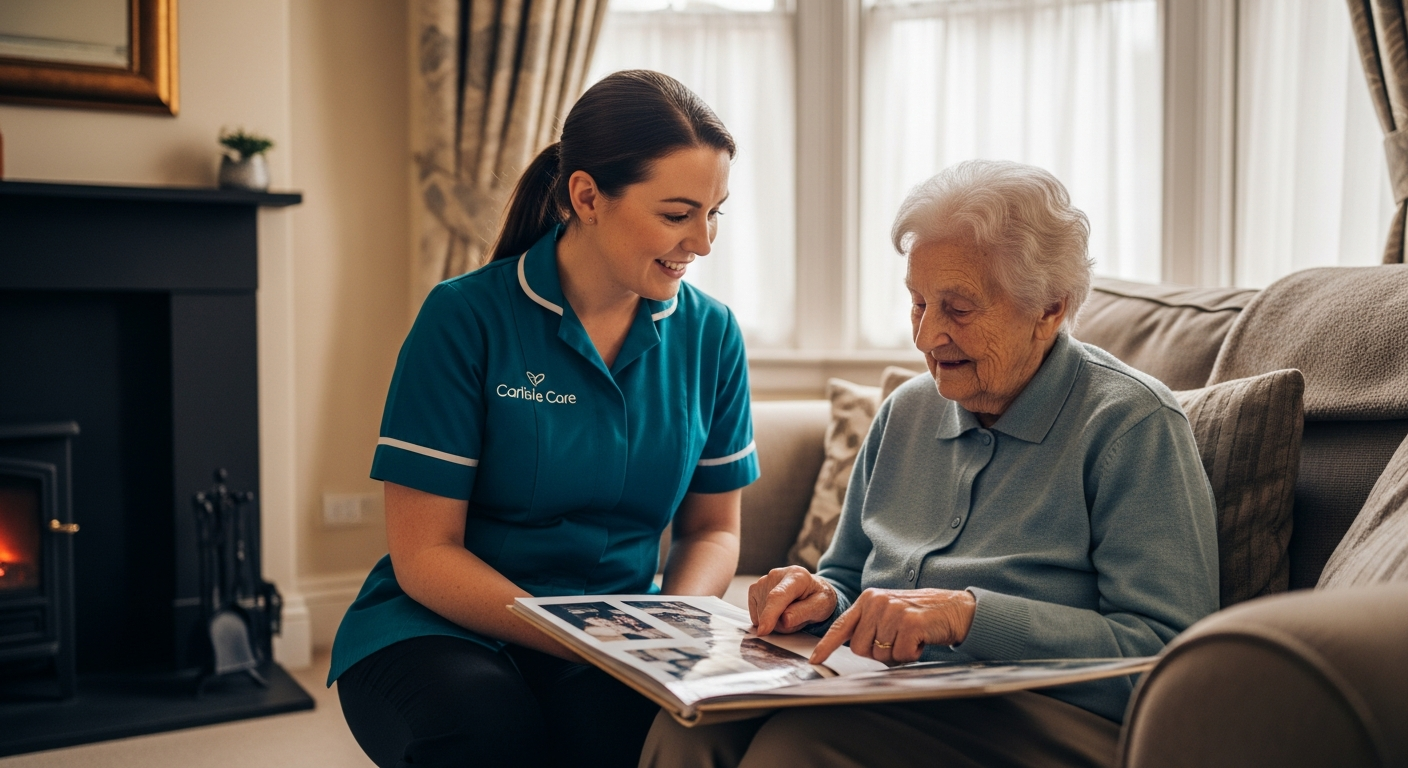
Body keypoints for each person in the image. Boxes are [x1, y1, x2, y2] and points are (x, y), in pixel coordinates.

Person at [641, 160, 1220, 768]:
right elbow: (846, 579)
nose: (926, 337)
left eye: (959, 309)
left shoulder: (1132, 425)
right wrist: (818, 598)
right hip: (881, 691)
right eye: (918, 303)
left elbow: (1167, 655)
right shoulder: (907, 411)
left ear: (1049, 307)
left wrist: (968, 617)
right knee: (690, 725)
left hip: (1044, 718)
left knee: (798, 750)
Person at [328, 70, 760, 768]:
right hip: (442, 625)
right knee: (488, 732)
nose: (704, 242)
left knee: (642, 735)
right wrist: (584, 639)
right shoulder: (464, 318)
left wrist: (671, 634)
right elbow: (424, 553)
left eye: (716, 213)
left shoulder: (712, 336)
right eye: (679, 215)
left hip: (613, 636)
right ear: (587, 196)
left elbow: (712, 529)